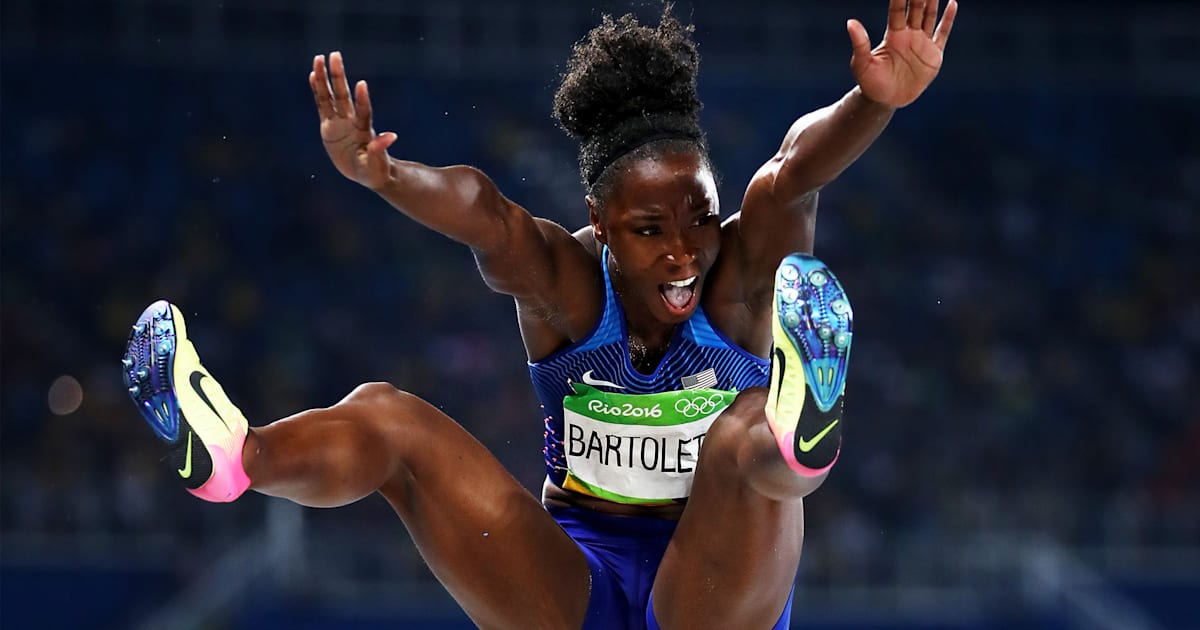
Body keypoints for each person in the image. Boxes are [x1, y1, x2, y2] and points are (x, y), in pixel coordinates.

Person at [121, 1, 955, 627]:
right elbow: (487, 213)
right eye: (648, 230)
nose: (684, 252)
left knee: (742, 437)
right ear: (599, 220)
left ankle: (803, 443)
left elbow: (790, 171)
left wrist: (874, 101)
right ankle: (238, 457)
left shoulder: (737, 280)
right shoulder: (567, 286)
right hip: (572, 597)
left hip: (711, 596)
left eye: (699, 216)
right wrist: (387, 177)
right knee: (388, 418)